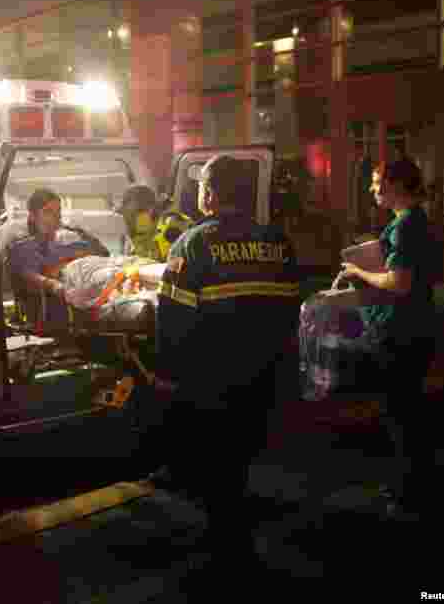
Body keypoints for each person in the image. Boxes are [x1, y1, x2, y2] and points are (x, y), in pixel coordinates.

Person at [147, 155, 300, 585]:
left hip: (212, 379)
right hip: (264, 375)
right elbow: (292, 308)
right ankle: (238, 543)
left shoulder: (193, 244)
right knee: (241, 458)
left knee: (216, 467)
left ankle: (228, 560)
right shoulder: (278, 241)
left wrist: (167, 375)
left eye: (202, 187)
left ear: (210, 194)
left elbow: (173, 318)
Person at [337, 158, 438, 517]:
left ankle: (409, 493)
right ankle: (410, 484)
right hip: (413, 328)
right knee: (407, 412)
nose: (372, 188)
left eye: (377, 181)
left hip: (399, 331)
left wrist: (359, 271)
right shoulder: (413, 221)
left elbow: (399, 281)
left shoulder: (406, 226)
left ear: (395, 185)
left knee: (400, 414)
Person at [6, 188, 109, 327]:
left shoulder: (69, 240)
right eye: (48, 212)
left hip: (95, 297)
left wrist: (81, 234)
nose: (55, 217)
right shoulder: (22, 246)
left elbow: (103, 254)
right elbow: (29, 275)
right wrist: (54, 284)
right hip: (53, 317)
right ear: (33, 216)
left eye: (58, 211)